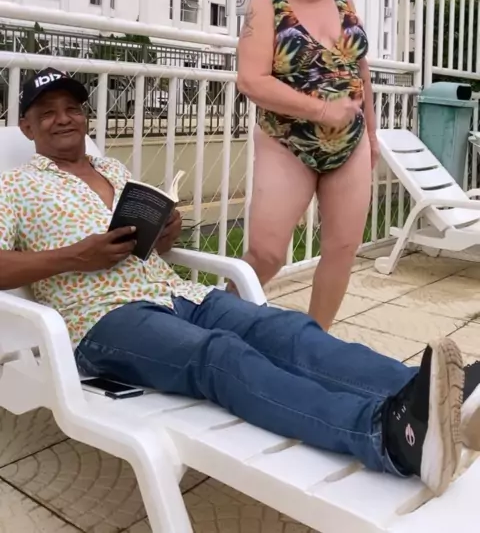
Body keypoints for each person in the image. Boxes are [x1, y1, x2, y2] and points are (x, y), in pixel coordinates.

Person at [0, 68, 479, 499]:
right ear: (26, 127)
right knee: (218, 356)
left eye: (72, 108)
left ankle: (438, 395)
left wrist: (166, 229)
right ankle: (387, 436)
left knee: (288, 331)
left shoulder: (112, 169)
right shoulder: (15, 186)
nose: (64, 119)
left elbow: (145, 244)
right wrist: (75, 257)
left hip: (177, 294)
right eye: (48, 113)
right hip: (103, 318)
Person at [237, 0, 378, 330]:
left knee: (342, 248)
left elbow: (361, 70)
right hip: (287, 142)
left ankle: (315, 343)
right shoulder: (266, 4)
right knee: (266, 254)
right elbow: (251, 80)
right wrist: (322, 109)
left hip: (350, 143)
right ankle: (216, 322)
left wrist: (371, 136)